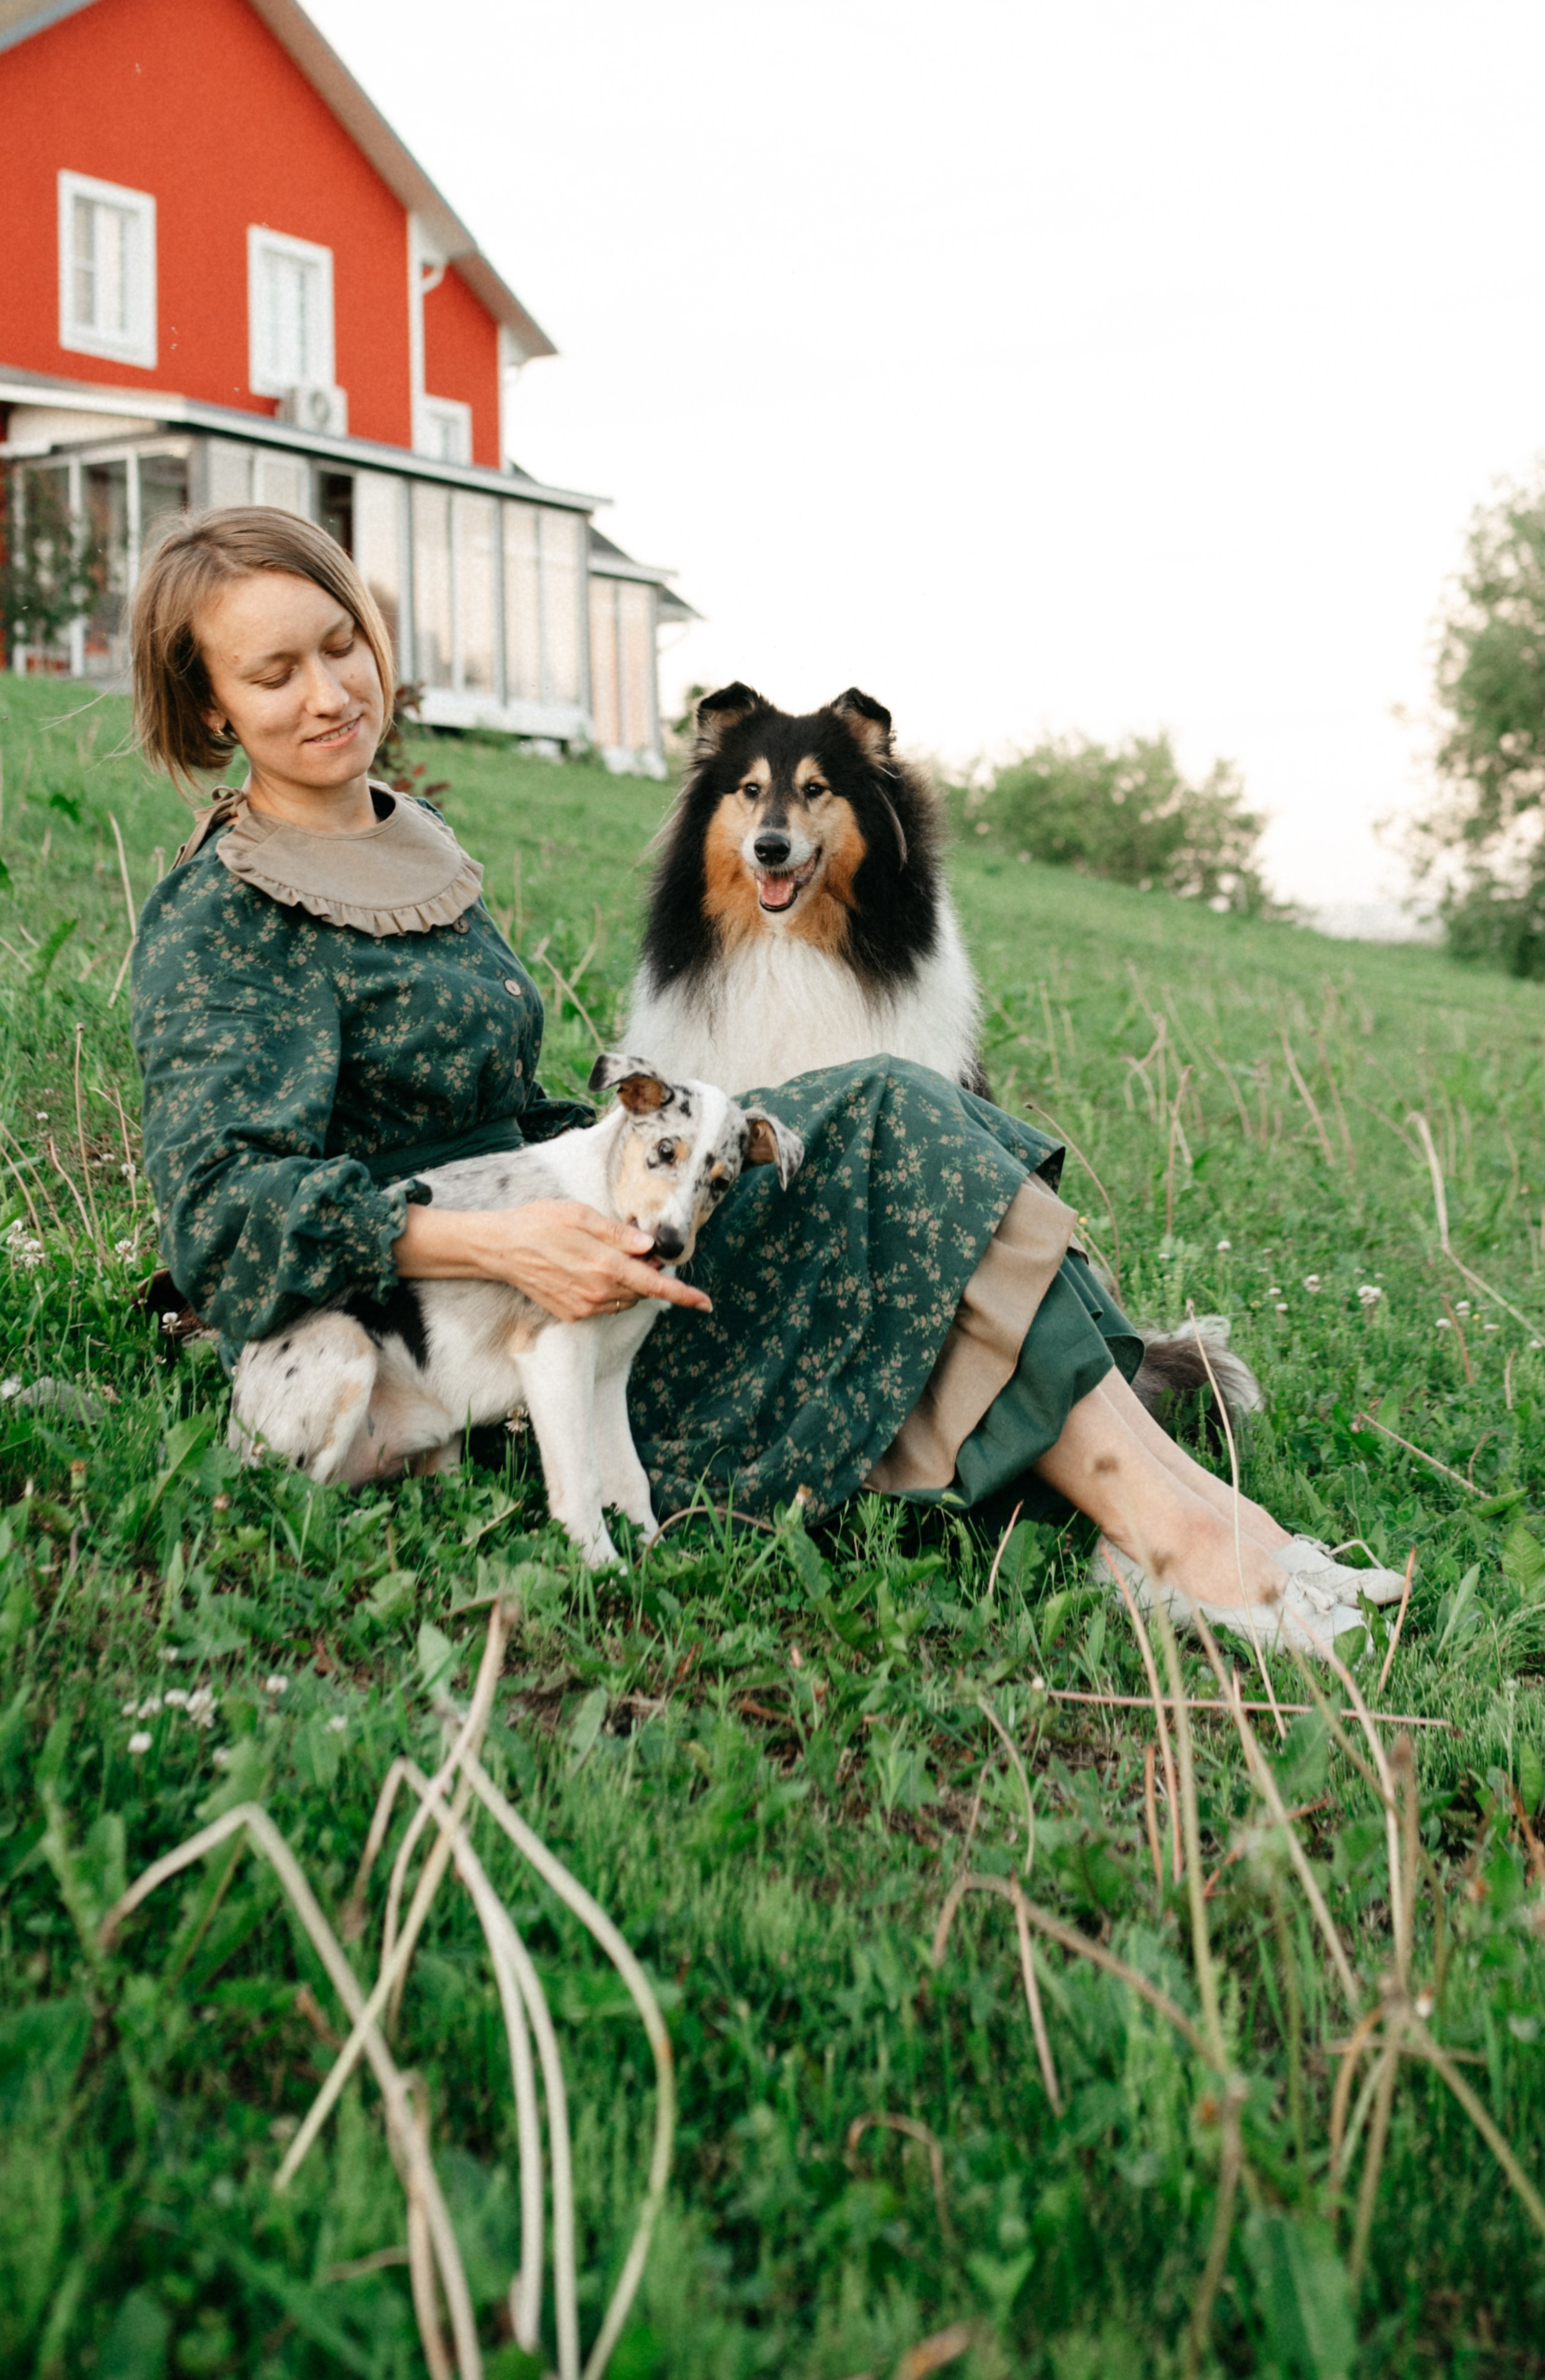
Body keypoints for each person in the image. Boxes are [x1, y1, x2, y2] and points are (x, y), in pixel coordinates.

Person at [128, 508, 1401, 1647]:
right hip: (479, 1347)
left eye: (339, 643)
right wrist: (508, 1243)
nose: (329, 691)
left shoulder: (416, 844)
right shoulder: (223, 914)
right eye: (273, 673)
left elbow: (517, 1125)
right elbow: (222, 1220)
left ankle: (1203, 1529)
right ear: (210, 712)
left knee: (914, 1125)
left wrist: (642, 1167)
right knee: (892, 1115)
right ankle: (1183, 1548)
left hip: (584, 1241)